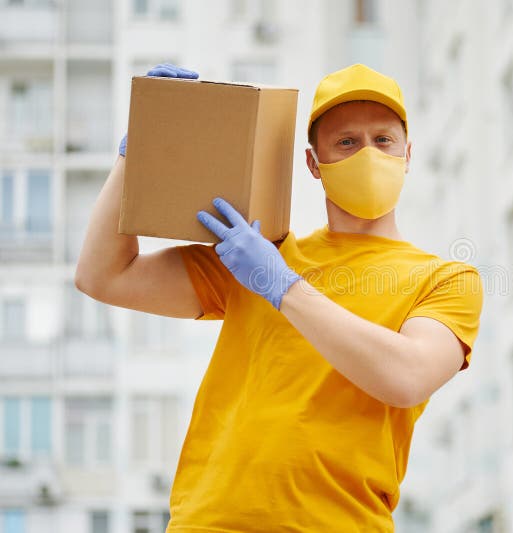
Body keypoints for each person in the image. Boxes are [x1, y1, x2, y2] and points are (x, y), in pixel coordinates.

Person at [76, 63, 483, 532]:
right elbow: (103, 275)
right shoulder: (257, 249)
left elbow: (407, 376)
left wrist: (281, 285)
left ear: (407, 154)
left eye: (383, 140)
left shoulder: (444, 279)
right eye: (346, 142)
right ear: (314, 163)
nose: (368, 154)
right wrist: (140, 154)